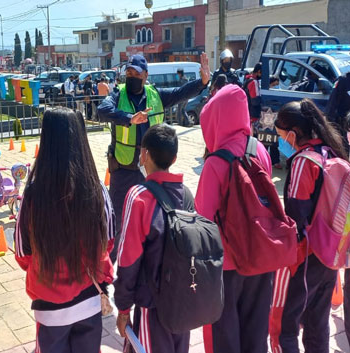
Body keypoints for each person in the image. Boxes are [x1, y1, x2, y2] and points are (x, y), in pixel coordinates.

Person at [14, 108, 115, 353]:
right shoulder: (97, 189)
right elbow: (108, 241)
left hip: (50, 309)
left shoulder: (32, 195)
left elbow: (22, 254)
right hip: (90, 301)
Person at [98, 54, 210, 262]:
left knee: (153, 217)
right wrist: (128, 119)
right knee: (117, 221)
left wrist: (202, 82)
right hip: (124, 170)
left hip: (153, 170)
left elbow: (180, 93)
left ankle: (149, 260)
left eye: (136, 73)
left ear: (145, 75)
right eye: (128, 72)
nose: (131, 76)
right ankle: (111, 267)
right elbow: (102, 110)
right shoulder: (117, 94)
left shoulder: (155, 95)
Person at [196, 84, 273, 353]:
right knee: (256, 331)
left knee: (226, 336)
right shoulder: (260, 150)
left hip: (228, 265)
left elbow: (203, 222)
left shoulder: (216, 162)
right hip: (262, 256)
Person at [269, 99, 347, 353]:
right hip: (329, 256)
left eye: (281, 135)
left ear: (293, 133)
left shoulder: (305, 162)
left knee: (284, 329)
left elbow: (296, 218)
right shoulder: (332, 153)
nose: (281, 141)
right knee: (317, 325)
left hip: (305, 258)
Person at [114, 124, 192, 353]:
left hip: (152, 305)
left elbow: (128, 259)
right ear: (175, 158)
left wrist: (123, 308)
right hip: (183, 302)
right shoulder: (186, 194)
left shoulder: (139, 196)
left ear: (144, 154)